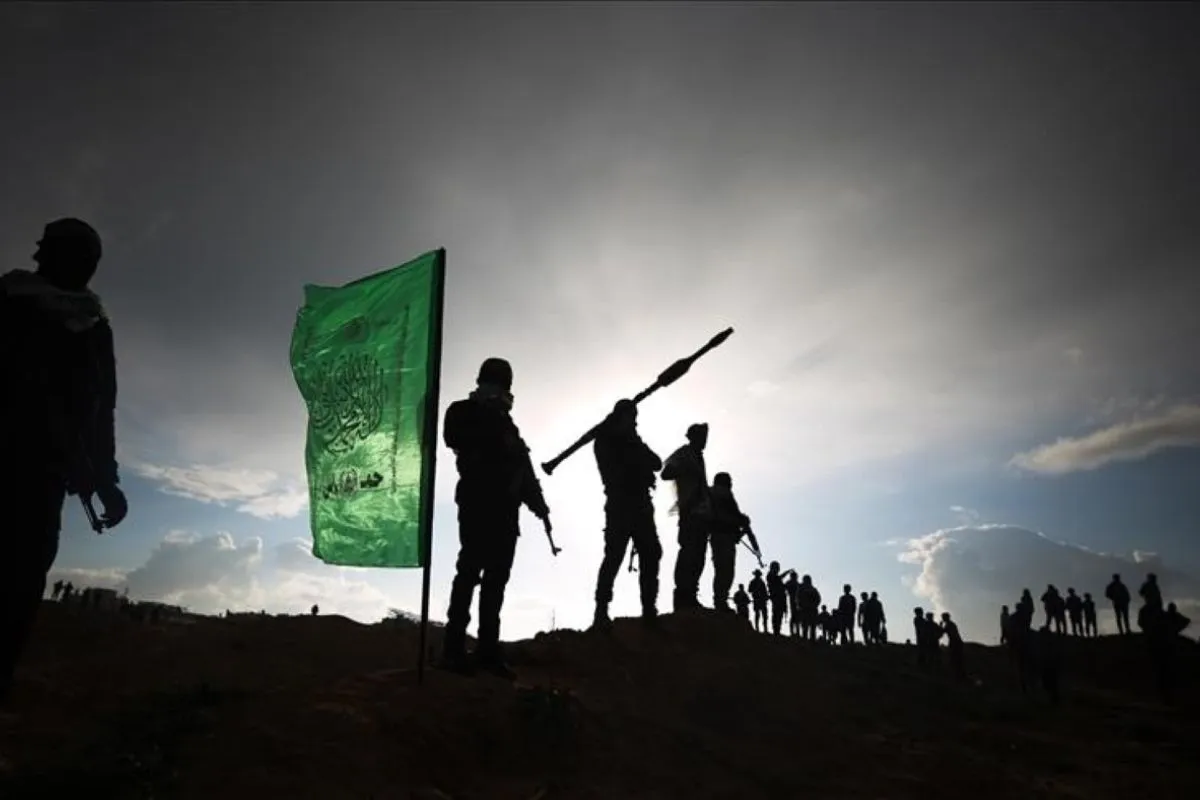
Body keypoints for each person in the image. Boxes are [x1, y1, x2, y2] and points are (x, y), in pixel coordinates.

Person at [1, 219, 129, 706]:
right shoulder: (9, 304)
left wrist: (105, 479)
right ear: (46, 256)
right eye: (77, 256)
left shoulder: (94, 326)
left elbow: (101, 408)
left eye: (90, 260)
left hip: (45, 476)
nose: (86, 268)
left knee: (19, 591)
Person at [440, 357, 552, 678]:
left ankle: (487, 651)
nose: (501, 391)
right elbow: (453, 438)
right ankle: (453, 649)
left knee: (496, 582)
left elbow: (523, 471)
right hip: (477, 503)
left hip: (505, 511)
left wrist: (539, 505)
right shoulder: (464, 411)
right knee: (469, 574)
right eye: (497, 384)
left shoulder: (507, 425)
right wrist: (489, 419)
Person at [590, 399, 662, 631]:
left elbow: (657, 463)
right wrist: (629, 445)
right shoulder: (605, 441)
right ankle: (601, 611)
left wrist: (635, 443)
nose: (635, 422)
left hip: (641, 506)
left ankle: (649, 610)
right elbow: (613, 471)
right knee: (614, 557)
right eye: (631, 417)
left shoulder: (633, 441)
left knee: (651, 554)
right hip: (620, 505)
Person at [661, 423, 711, 611]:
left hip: (702, 514)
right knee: (688, 553)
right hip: (689, 512)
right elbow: (666, 473)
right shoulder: (684, 454)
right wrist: (685, 469)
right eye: (701, 437)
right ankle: (682, 596)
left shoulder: (699, 457)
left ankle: (691, 595)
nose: (704, 441)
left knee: (698, 556)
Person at [707, 472, 761, 612]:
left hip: (721, 536)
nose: (731, 483)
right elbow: (732, 513)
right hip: (723, 536)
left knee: (722, 570)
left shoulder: (713, 492)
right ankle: (720, 601)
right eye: (729, 481)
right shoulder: (722, 492)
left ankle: (720, 600)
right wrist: (742, 520)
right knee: (725, 570)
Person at [796, 575, 821, 641]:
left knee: (812, 627)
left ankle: (812, 641)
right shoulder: (801, 588)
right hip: (805, 609)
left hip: (811, 610)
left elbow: (818, 599)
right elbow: (798, 598)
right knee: (805, 627)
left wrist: (814, 605)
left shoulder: (813, 589)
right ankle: (805, 640)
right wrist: (800, 605)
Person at [941, 612, 966, 680]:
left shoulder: (949, 624)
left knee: (955, 659)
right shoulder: (950, 624)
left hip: (955, 642)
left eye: (943, 617)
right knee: (957, 659)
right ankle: (960, 675)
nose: (942, 619)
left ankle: (958, 675)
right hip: (956, 642)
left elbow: (943, 631)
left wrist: (940, 625)